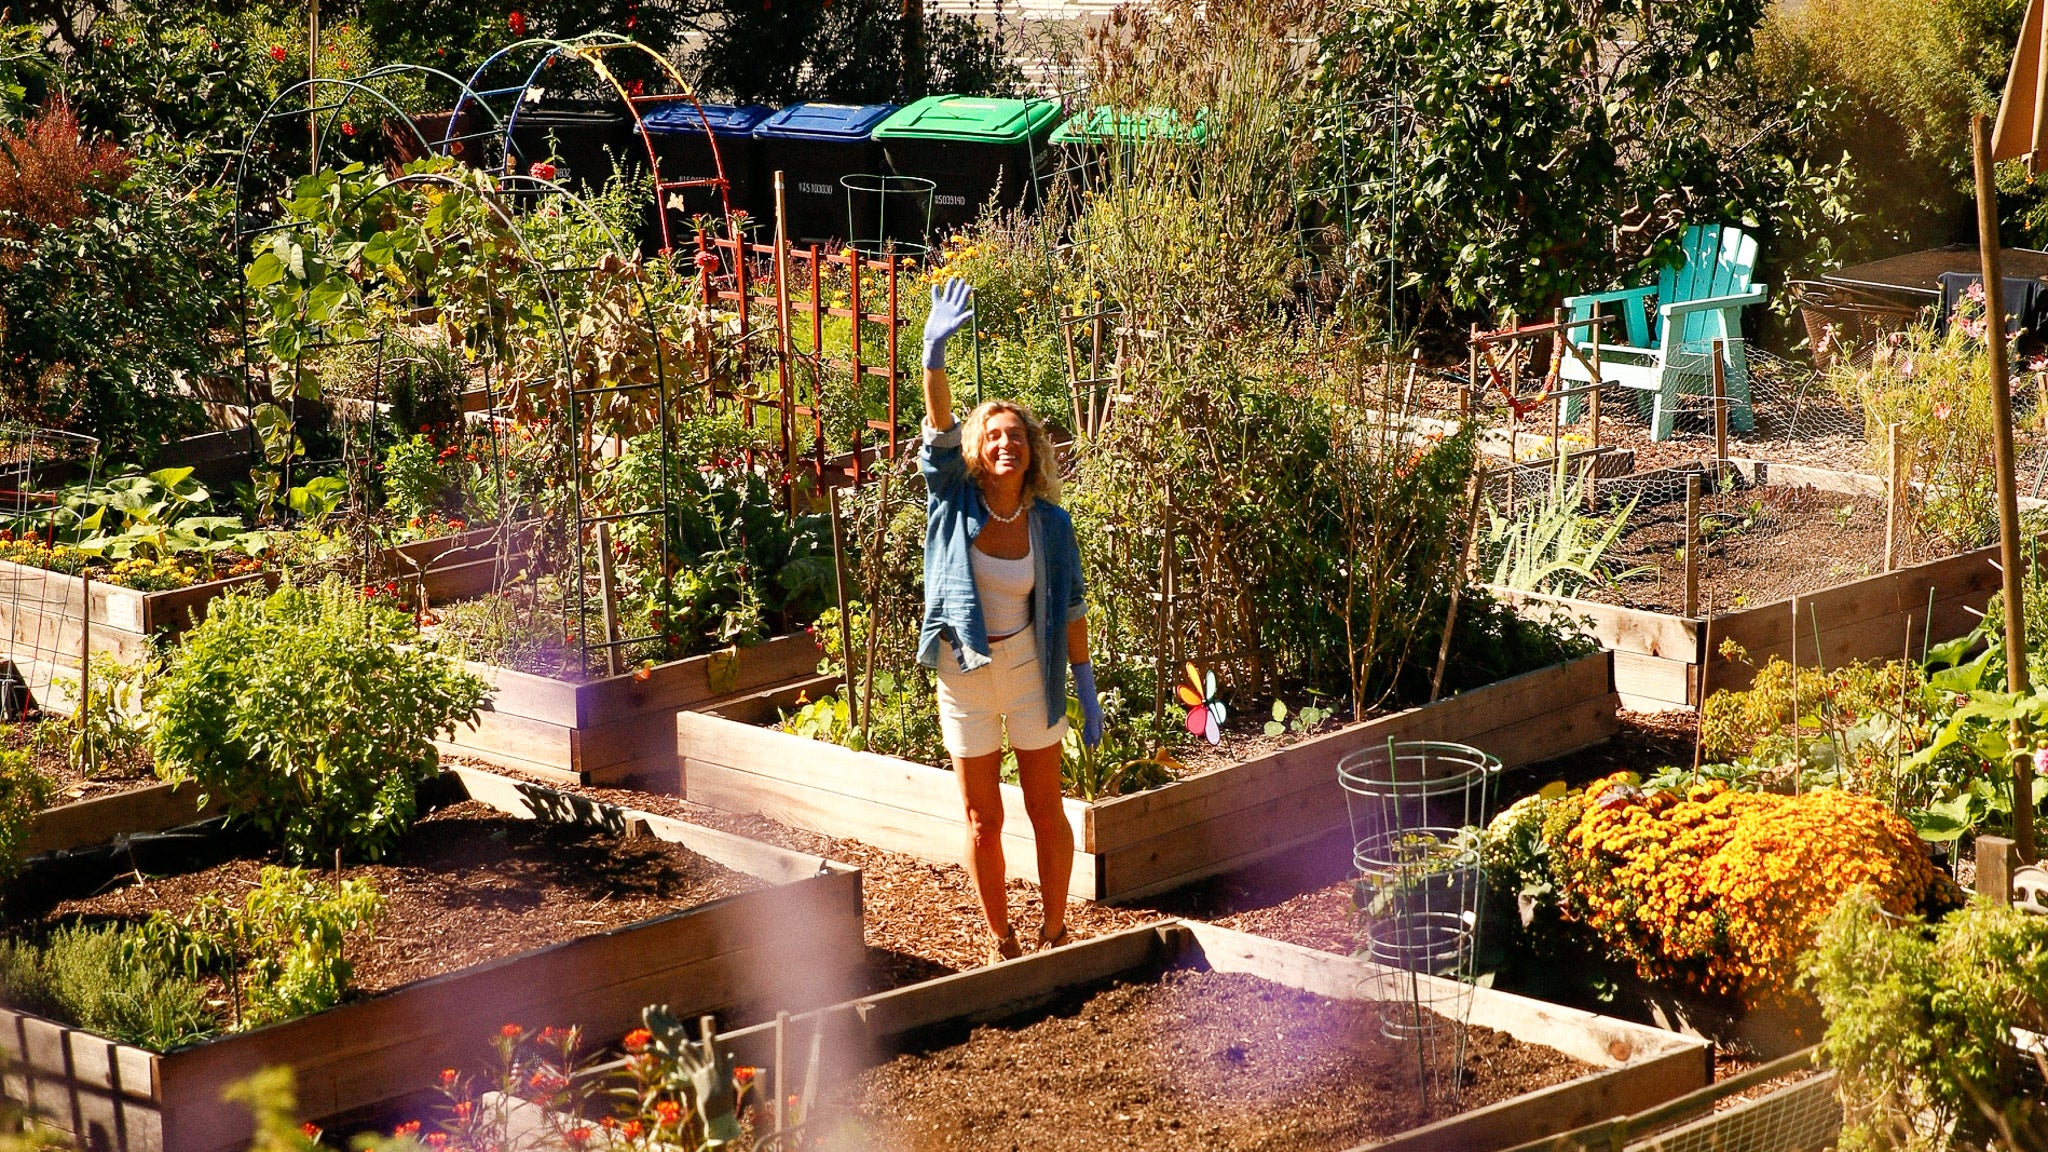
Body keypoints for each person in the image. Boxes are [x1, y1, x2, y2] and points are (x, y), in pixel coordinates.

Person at [916, 276, 1104, 964]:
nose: (1006, 444)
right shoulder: (952, 499)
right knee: (981, 818)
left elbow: (1072, 607)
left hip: (1030, 669)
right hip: (964, 672)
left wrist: (1083, 685)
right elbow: (936, 433)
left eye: (1016, 435)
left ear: (1030, 449)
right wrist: (934, 358)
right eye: (993, 435)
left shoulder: (1051, 525)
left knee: (1044, 808)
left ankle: (1055, 929)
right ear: (977, 447)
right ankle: (1001, 940)